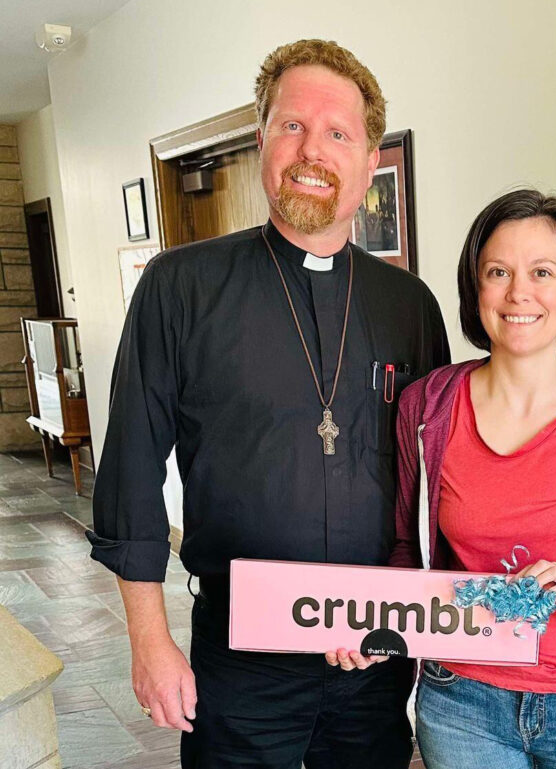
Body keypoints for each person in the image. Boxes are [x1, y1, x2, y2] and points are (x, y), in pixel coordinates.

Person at [87, 39, 449, 768]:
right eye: (292, 126)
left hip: (372, 649)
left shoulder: (409, 305)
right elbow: (128, 472)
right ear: (262, 140)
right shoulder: (179, 286)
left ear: (370, 158)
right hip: (239, 657)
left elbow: (438, 480)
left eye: (338, 133)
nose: (312, 149)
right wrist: (150, 643)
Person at [327, 189, 556, 767]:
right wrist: (376, 620)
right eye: (498, 272)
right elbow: (407, 551)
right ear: (476, 289)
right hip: (461, 704)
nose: (519, 293)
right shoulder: (426, 410)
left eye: (542, 271)